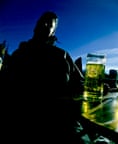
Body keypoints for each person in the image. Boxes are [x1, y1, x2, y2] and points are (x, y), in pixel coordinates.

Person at [1, 11, 84, 144]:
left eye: (49, 24)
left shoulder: (62, 55)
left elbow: (80, 85)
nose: (44, 25)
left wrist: (96, 87)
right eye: (41, 22)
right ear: (35, 27)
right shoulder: (19, 55)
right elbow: (6, 86)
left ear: (53, 32)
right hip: (22, 122)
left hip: (59, 121)